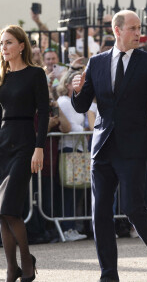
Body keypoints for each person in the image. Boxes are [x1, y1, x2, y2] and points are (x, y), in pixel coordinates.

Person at [71, 10, 147, 282]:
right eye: (133, 28)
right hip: (103, 147)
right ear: (117, 30)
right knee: (100, 212)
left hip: (135, 148)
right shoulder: (97, 62)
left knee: (132, 206)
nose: (139, 33)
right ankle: (108, 275)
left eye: (139, 28)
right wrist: (76, 89)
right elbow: (82, 105)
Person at [0, 25, 49, 282]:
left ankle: (27, 260)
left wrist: (39, 147)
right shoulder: (2, 77)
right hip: (3, 142)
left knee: (9, 208)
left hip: (24, 143)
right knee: (1, 211)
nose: (4, 48)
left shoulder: (35, 74)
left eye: (8, 43)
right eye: (1, 44)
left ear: (21, 45)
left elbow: (43, 114)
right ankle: (12, 268)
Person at [56, 69, 88, 242]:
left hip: (79, 150)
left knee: (76, 192)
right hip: (68, 149)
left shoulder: (75, 100)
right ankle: (67, 228)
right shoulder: (64, 101)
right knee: (68, 192)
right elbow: (70, 126)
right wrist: (86, 130)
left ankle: (72, 227)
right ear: (67, 84)